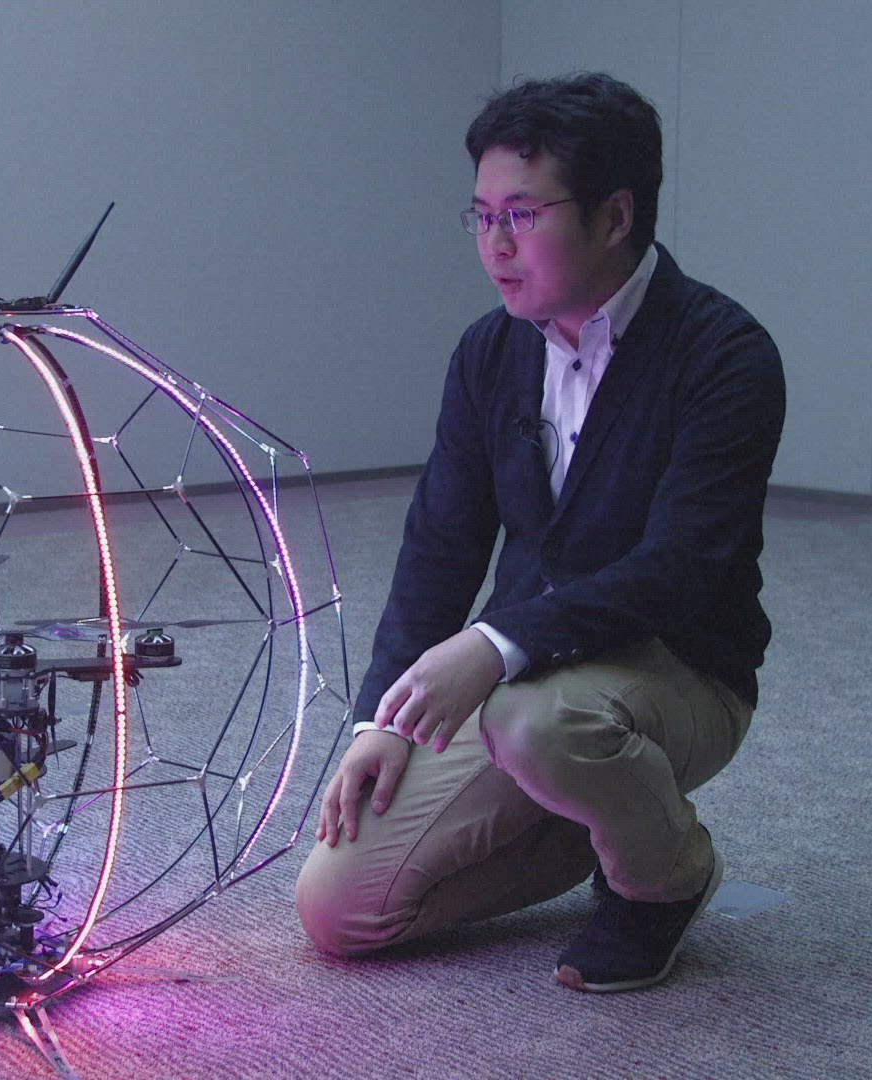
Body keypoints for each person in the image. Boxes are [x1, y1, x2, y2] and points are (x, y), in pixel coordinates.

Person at [295, 72, 785, 993]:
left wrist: (492, 645)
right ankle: (600, 818)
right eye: (481, 217)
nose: (496, 245)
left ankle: (665, 878)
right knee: (340, 910)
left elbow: (681, 567)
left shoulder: (723, 354)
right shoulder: (491, 351)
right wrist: (380, 721)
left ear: (615, 216)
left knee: (538, 721)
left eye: (522, 214)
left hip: (680, 667)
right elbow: (441, 546)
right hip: (533, 674)